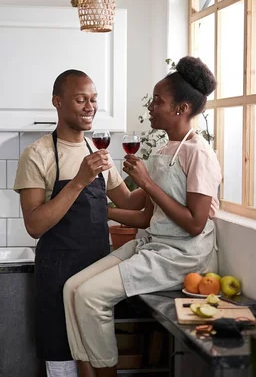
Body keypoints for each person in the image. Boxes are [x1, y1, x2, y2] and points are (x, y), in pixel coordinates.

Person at [62, 56, 222, 377]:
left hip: (183, 258)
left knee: (91, 298)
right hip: (153, 246)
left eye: (158, 101)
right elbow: (146, 215)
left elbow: (195, 224)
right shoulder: (164, 151)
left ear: (181, 109)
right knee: (72, 289)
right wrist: (99, 211)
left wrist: (147, 181)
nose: (150, 107)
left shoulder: (200, 155)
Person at [13, 69, 144, 377]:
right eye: (81, 99)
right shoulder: (37, 154)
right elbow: (34, 225)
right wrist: (79, 181)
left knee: (96, 359)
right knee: (63, 363)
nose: (90, 107)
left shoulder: (97, 152)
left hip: (97, 276)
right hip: (57, 275)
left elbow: (128, 202)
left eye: (94, 99)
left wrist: (154, 179)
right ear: (58, 102)